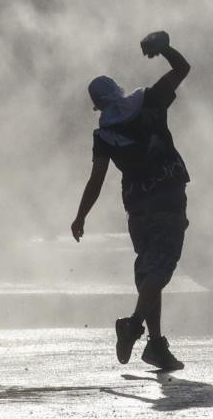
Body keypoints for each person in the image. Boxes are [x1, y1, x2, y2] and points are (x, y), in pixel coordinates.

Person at [71, 31, 191, 372]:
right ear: (119, 90)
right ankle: (134, 325)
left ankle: (156, 346)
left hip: (137, 210)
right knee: (160, 269)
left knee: (149, 273)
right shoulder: (151, 101)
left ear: (97, 105)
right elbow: (183, 68)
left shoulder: (104, 134)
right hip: (168, 202)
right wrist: (165, 48)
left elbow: (97, 179)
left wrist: (81, 216)